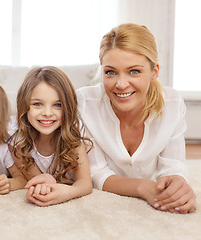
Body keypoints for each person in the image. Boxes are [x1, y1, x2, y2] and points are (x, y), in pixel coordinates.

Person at [76, 23, 196, 214]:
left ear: (154, 72)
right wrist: (143, 187)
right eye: (110, 72)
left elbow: (173, 165)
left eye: (134, 71)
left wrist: (176, 185)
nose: (121, 84)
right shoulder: (85, 103)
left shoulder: (172, 103)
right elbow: (96, 172)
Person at [10, 66, 93, 207]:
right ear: (24, 106)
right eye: (37, 104)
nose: (47, 113)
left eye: (57, 105)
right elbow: (39, 180)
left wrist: (69, 192)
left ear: (68, 108)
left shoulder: (73, 136)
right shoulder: (17, 140)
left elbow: (85, 183)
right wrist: (42, 187)